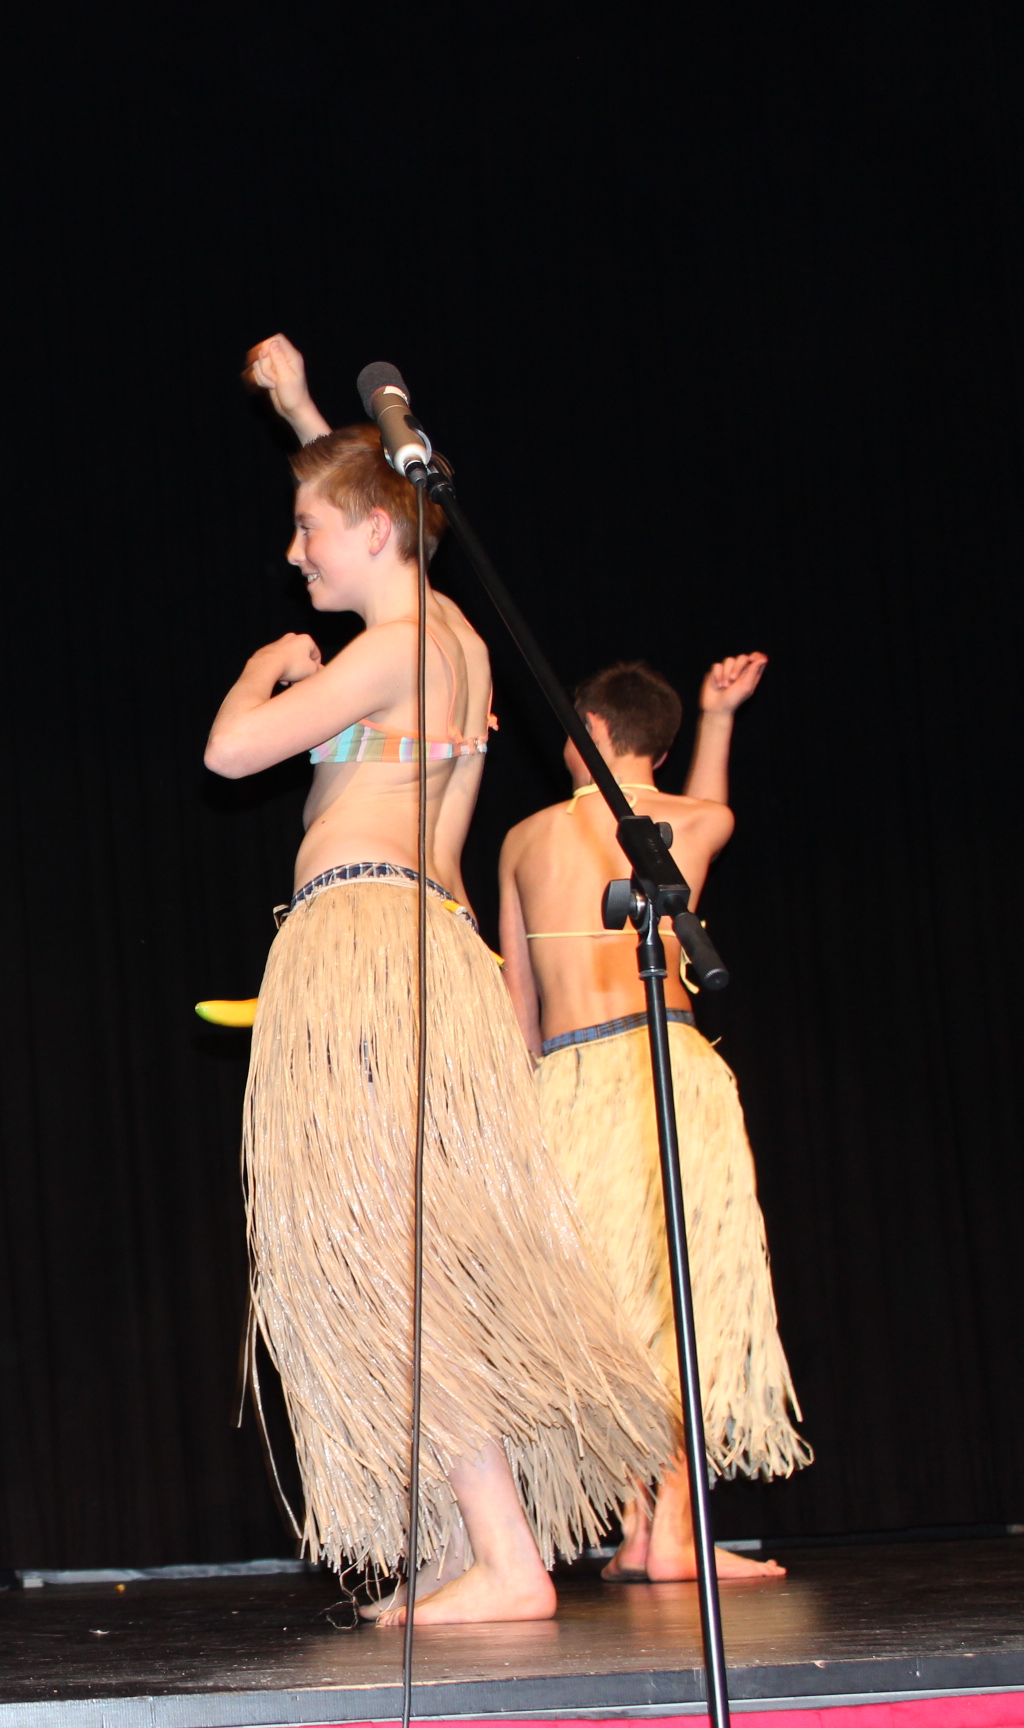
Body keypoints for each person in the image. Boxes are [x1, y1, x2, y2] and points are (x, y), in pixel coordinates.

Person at [212, 338, 673, 1625]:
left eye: (309, 531)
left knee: (389, 1252)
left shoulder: (387, 647)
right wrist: (300, 410)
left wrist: (269, 668)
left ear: (369, 532)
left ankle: (506, 1558)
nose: (296, 555)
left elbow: (231, 752)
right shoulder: (454, 637)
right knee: (412, 1248)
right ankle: (462, 1546)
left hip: (364, 939)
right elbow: (381, 497)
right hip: (428, 947)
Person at [498, 654, 806, 1584]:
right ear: (659, 750)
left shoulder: (524, 838)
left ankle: (648, 1529)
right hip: (663, 1065)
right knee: (675, 1297)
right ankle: (664, 1532)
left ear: (589, 729)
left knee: (617, 1309)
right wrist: (720, 719)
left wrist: (524, 1110)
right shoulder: (693, 823)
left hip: (567, 1078)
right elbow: (705, 814)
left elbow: (519, 1003)